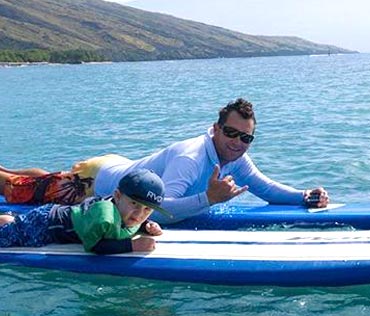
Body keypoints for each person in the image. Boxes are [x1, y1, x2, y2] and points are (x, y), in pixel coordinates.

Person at [0, 98, 329, 224]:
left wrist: (303, 197)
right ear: (215, 129)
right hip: (92, 184)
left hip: (119, 166)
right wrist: (207, 199)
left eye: (246, 137)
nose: (238, 143)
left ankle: (24, 174)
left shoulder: (236, 157)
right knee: (16, 190)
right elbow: (155, 211)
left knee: (40, 181)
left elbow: (264, 188)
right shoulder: (192, 157)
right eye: (231, 133)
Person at [0, 169, 169, 254]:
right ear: (117, 196)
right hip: (44, 226)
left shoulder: (125, 211)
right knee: (8, 236)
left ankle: (8, 220)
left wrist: (146, 226)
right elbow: (94, 246)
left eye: (147, 209)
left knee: (15, 223)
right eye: (134, 204)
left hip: (54, 215)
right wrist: (132, 246)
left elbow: (130, 221)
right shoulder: (103, 217)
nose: (139, 214)